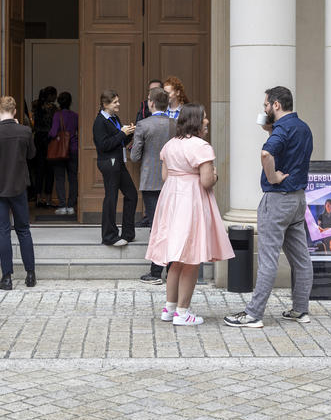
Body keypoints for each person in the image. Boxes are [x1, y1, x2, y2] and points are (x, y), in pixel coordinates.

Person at [225, 86, 314, 328]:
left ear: (276, 105)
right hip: (297, 199)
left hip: (277, 199)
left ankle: (253, 314)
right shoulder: (303, 127)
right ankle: (300, 309)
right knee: (301, 258)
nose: (264, 109)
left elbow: (266, 154)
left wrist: (273, 176)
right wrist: (270, 130)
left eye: (266, 105)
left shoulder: (282, 129)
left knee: (268, 259)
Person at [146, 104, 233, 325]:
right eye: (204, 118)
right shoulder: (201, 147)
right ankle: (183, 312)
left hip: (171, 201)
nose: (207, 121)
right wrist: (215, 175)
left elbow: (165, 176)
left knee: (176, 259)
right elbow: (206, 181)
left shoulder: (169, 145)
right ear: (195, 121)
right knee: (192, 258)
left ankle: (170, 307)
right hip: (191, 202)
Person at [0, 96, 37, 290]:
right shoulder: (25, 131)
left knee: (3, 232)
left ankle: (7, 277)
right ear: (14, 111)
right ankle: (30, 274)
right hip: (18, 186)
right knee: (23, 230)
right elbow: (32, 155)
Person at [131, 87, 177, 282]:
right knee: (173, 225)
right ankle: (173, 269)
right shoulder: (175, 124)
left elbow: (134, 156)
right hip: (173, 180)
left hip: (151, 182)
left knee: (157, 226)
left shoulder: (143, 125)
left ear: (151, 103)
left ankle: (156, 272)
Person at [93, 89, 137, 246]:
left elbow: (120, 142)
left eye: (118, 101)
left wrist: (129, 133)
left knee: (131, 194)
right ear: (105, 105)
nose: (118, 104)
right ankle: (109, 237)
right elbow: (103, 145)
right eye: (115, 102)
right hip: (109, 163)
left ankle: (128, 233)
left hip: (118, 161)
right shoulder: (100, 122)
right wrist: (122, 134)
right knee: (111, 198)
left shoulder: (114, 118)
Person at [49, 91, 79, 216]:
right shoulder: (75, 115)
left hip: (60, 151)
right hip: (73, 148)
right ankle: (71, 205)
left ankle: (62, 205)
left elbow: (53, 132)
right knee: (73, 178)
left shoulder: (57, 115)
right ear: (70, 102)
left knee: (60, 178)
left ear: (59, 102)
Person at [31, 86, 59, 208]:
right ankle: (48, 199)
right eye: (54, 95)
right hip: (49, 139)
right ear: (50, 95)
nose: (56, 97)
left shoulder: (35, 105)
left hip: (37, 139)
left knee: (39, 169)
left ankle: (38, 198)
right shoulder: (54, 108)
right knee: (50, 170)